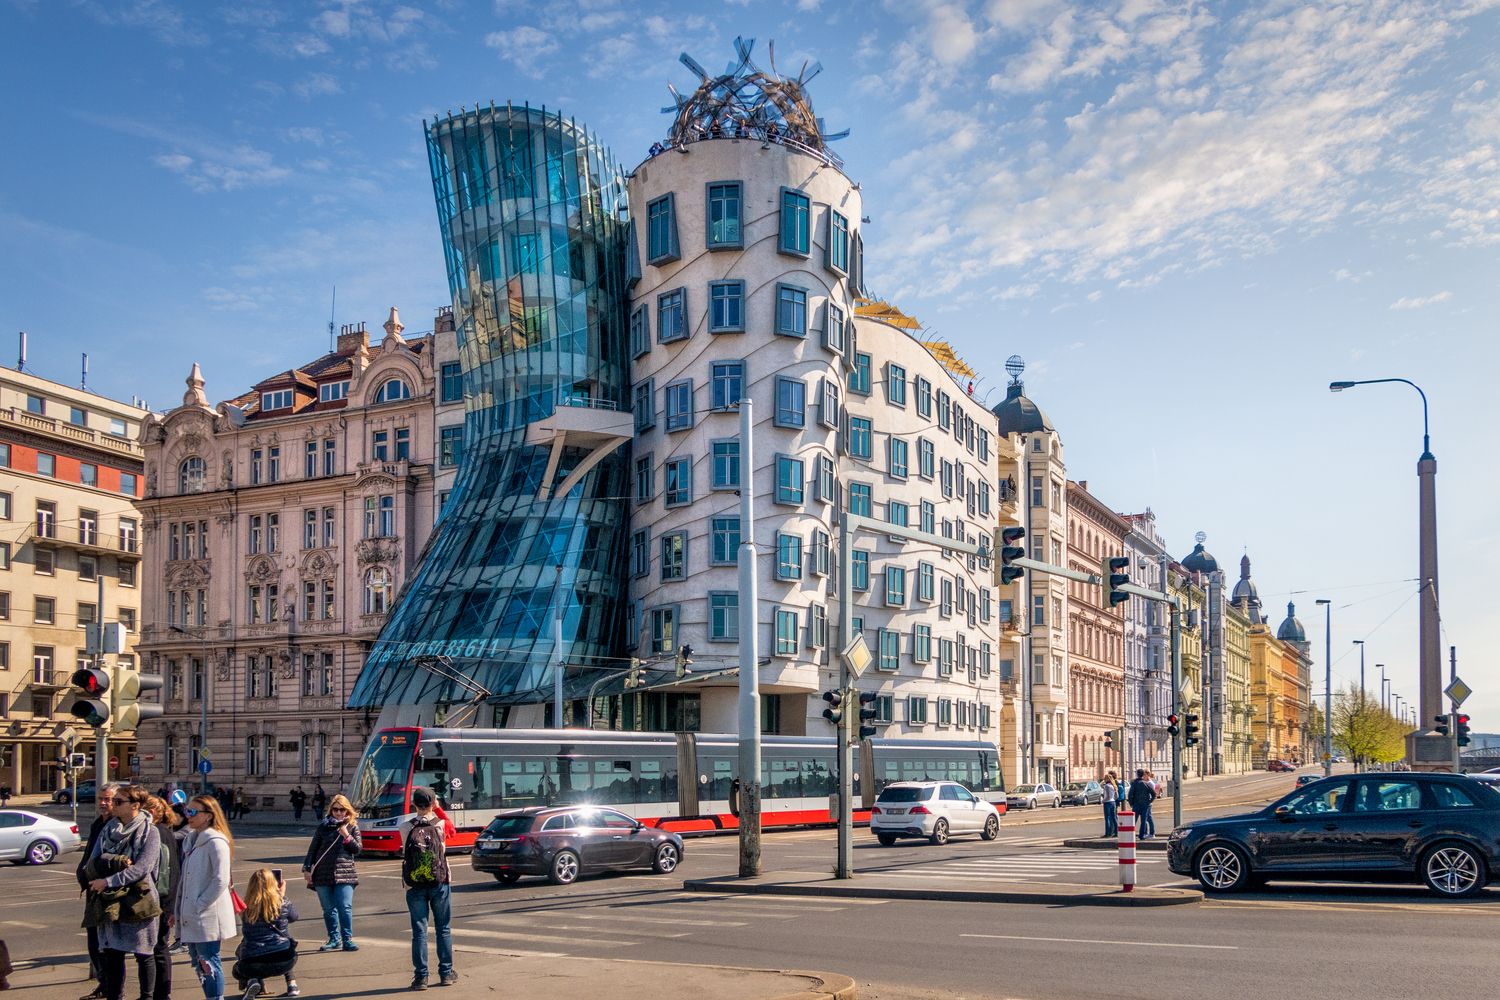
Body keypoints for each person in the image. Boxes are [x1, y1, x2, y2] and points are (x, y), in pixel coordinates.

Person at [82, 783, 162, 1000]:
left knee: (144, 953)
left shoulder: (150, 831)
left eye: (118, 801)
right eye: (113, 801)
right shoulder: (107, 829)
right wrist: (114, 862)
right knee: (112, 954)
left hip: (139, 900)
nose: (112, 805)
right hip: (111, 900)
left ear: (135, 805)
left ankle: (146, 997)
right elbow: (92, 862)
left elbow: (142, 868)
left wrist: (108, 881)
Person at [177, 794, 237, 1000]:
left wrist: (199, 904)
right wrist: (179, 910)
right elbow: (186, 881)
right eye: (187, 811)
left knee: (209, 960)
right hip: (192, 913)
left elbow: (221, 880)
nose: (188, 815)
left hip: (207, 914)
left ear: (209, 816)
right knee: (199, 963)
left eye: (193, 812)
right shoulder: (191, 840)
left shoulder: (216, 842)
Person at [401, 788, 455, 991]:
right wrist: (438, 810)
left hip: (414, 884)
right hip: (440, 882)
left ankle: (421, 977)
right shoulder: (441, 825)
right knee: (443, 928)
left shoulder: (405, 827)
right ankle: (446, 973)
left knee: (419, 932)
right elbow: (453, 832)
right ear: (433, 803)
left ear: (414, 804)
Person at [302, 793, 361, 952]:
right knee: (328, 909)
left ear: (347, 810)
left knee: (345, 907)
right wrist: (307, 869)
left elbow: (357, 849)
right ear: (331, 810)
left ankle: (347, 939)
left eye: (342, 810)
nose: (339, 813)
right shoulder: (323, 827)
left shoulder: (352, 827)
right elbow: (312, 850)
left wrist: (346, 835)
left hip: (345, 873)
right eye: (335, 809)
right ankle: (334, 938)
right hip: (323, 873)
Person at [79, 782, 121, 992]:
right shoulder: (98, 823)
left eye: (108, 799)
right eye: (100, 799)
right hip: (92, 890)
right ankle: (104, 984)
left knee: (104, 944)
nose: (103, 803)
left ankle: (108, 986)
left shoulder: (116, 826)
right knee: (94, 940)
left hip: (105, 890)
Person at [232, 869, 299, 1000]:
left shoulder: (246, 907)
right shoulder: (282, 902)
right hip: (284, 960)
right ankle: (292, 984)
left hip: (253, 963)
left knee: (239, 963)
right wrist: (281, 896)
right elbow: (294, 917)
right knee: (285, 945)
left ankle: (253, 981)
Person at [144, 796, 183, 1000]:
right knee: (158, 946)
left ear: (151, 813)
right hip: (166, 898)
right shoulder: (164, 831)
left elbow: (163, 873)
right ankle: (159, 993)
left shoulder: (157, 833)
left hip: (162, 899)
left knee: (158, 947)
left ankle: (161, 994)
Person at [1128, 769, 1157, 840]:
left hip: (1136, 804)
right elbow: (1153, 793)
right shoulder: (1146, 783)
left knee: (1133, 820)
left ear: (1137, 775)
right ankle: (1142, 835)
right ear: (1143, 775)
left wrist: (1131, 803)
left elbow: (1130, 794)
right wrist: (1150, 801)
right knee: (1143, 820)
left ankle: (1130, 835)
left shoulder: (1134, 783)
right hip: (1145, 805)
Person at [1101, 772, 1119, 838]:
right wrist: (1113, 799)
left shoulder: (1107, 786)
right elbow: (1117, 795)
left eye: (1105, 778)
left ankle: (1107, 833)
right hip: (1113, 802)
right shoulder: (1113, 785)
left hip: (1107, 803)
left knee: (1107, 818)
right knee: (1114, 818)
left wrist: (1103, 801)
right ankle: (1116, 832)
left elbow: (1107, 796)